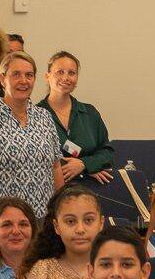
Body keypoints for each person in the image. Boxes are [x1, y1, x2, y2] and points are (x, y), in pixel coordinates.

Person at [0, 51, 65, 214]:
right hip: (5, 221)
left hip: (43, 217)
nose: (23, 81)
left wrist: (60, 210)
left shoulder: (44, 116)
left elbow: (55, 167)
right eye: (16, 75)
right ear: (2, 78)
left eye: (29, 75)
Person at [40, 51, 113, 186]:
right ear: (47, 76)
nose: (66, 77)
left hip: (90, 189)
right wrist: (79, 170)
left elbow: (107, 152)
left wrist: (84, 164)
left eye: (71, 73)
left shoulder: (90, 113)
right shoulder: (35, 115)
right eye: (60, 72)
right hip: (50, 189)